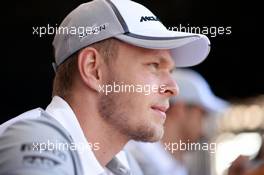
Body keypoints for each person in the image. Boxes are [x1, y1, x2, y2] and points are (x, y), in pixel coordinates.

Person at [0, 0, 210, 174]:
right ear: (93, 69)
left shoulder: (122, 162)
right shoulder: (36, 140)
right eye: (154, 66)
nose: (173, 89)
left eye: (171, 71)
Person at [126, 69, 228, 175]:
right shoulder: (133, 162)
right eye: (202, 115)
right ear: (180, 109)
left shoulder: (171, 165)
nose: (202, 130)